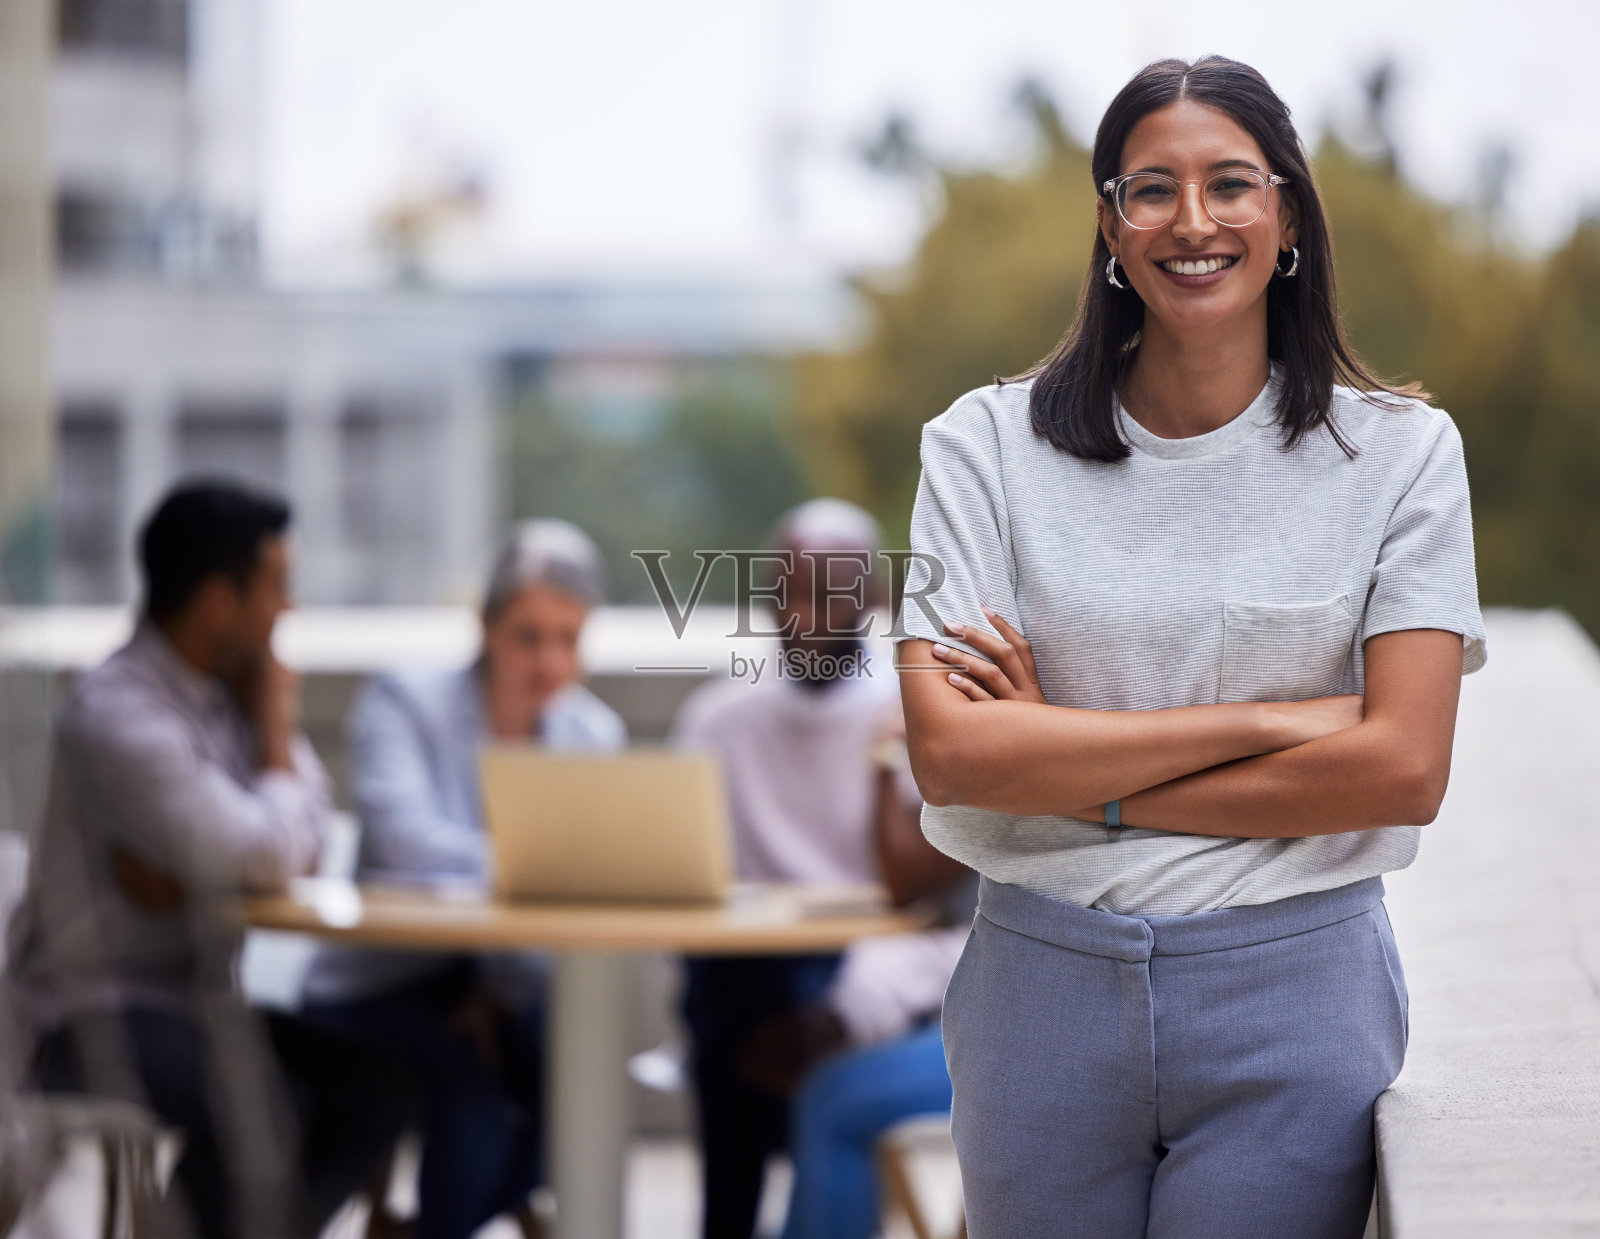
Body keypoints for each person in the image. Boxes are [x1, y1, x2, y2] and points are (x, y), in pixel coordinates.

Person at [894, 57, 1486, 1239]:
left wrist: (1074, 772)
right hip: (1037, 993)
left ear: (1287, 216)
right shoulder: (981, 450)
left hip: (1293, 995)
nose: (1193, 221)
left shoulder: (1403, 458)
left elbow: (1400, 769)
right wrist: (1274, 722)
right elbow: (953, 756)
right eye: (1151, 189)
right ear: (1110, 225)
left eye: (1229, 184)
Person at [5, 479, 413, 1239]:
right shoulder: (118, 717)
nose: (288, 611)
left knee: (377, 1089)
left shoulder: (234, 701)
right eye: (278, 588)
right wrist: (274, 749)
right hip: (85, 1013)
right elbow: (267, 850)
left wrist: (268, 747)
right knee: (258, 1115)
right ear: (220, 602)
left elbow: (305, 846)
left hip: (192, 1003)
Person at [301, 518, 625, 1239]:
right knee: (475, 1115)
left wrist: (495, 988)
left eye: (569, 638)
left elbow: (578, 880)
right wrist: (537, 863)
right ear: (485, 627)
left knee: (585, 1090)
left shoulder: (591, 733)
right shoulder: (403, 701)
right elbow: (403, 842)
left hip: (499, 983)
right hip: (381, 980)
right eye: (528, 636)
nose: (549, 660)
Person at [669, 497, 964, 1239]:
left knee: (762, 1036)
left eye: (827, 593)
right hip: (750, 969)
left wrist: (843, 1011)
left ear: (873, 598)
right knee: (730, 994)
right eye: (787, 590)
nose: (802, 614)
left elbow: (934, 905)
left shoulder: (914, 718)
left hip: (881, 976)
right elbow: (683, 883)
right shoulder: (718, 720)